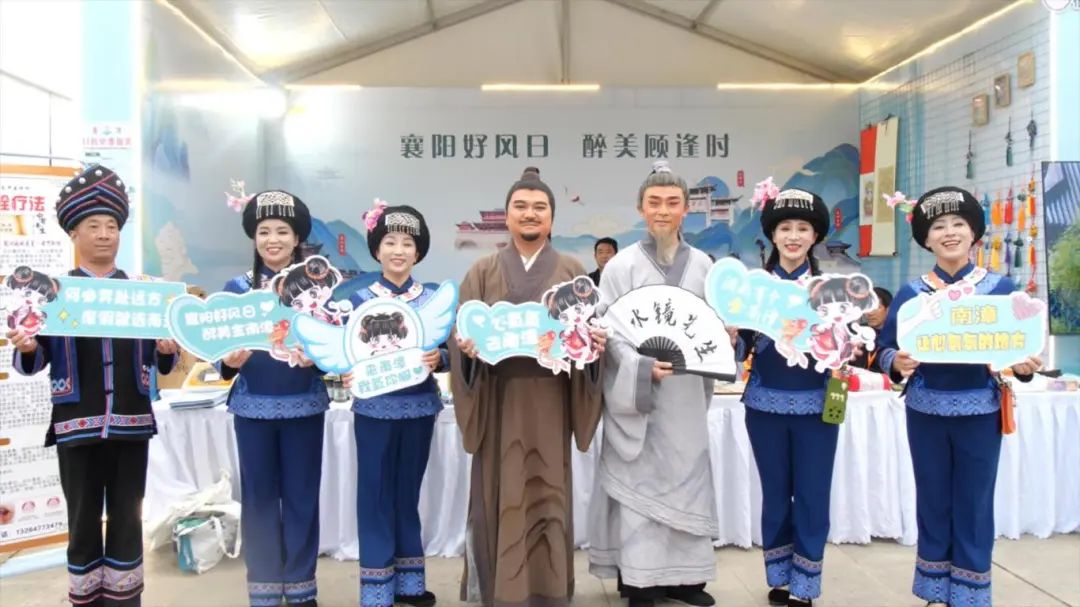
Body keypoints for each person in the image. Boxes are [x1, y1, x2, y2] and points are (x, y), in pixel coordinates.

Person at [6, 164, 178, 607]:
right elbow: (34, 360)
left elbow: (162, 359)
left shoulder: (143, 293)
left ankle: (125, 600)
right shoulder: (54, 294)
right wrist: (28, 345)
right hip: (75, 423)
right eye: (93, 226)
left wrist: (166, 347)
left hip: (131, 421)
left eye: (112, 226)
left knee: (128, 518)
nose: (104, 235)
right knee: (81, 521)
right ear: (74, 233)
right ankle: (84, 600)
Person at [874, 186, 1041, 607]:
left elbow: (1017, 348)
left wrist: (1023, 364)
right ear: (926, 240)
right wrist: (896, 361)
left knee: (975, 503)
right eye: (939, 227)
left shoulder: (1001, 289)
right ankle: (935, 591)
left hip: (981, 410)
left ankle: (970, 593)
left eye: (958, 224)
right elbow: (883, 349)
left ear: (974, 234)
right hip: (925, 410)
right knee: (933, 499)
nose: (949, 233)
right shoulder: (911, 294)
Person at [450, 167, 606, 607]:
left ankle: (549, 590)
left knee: (547, 494)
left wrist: (594, 347)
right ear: (507, 216)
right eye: (520, 206)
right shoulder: (482, 271)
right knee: (496, 495)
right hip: (497, 403)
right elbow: (462, 337)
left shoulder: (572, 272)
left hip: (552, 401)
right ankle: (500, 589)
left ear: (552, 218)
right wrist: (466, 351)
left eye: (540, 207)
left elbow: (586, 342)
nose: (530, 214)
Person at [587, 161, 718, 607]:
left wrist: (724, 334)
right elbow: (607, 329)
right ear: (641, 208)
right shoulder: (621, 266)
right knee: (639, 490)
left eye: (672, 202)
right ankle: (640, 579)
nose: (663, 210)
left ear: (686, 209)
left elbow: (711, 325)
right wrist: (640, 364)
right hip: (636, 393)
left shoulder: (703, 265)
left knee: (687, 480)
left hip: (685, 396)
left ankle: (686, 579)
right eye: (654, 202)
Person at [219, 190, 328, 607]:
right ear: (254, 238)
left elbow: (331, 351)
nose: (273, 240)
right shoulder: (236, 289)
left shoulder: (319, 290)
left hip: (305, 405)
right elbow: (221, 356)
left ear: (297, 238)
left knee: (302, 498)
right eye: (265, 231)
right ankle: (263, 589)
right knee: (259, 500)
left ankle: (301, 587)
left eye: (283, 231)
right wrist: (228, 360)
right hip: (253, 409)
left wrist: (318, 358)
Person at [732, 187, 835, 607]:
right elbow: (740, 350)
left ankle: (805, 585)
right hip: (764, 406)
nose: (793, 236)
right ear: (772, 235)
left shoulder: (831, 290)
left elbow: (845, 349)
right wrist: (732, 336)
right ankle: (779, 576)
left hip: (819, 406)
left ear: (815, 236)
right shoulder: (753, 288)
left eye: (803, 228)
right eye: (785, 228)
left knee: (812, 495)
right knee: (775, 493)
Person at [349, 203, 445, 607]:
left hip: (419, 407)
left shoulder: (434, 300)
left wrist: (441, 357)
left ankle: (409, 584)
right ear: (377, 250)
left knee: (408, 494)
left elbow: (450, 349)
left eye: (407, 243)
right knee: (374, 494)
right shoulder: (357, 301)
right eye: (390, 242)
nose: (399, 250)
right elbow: (343, 354)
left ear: (418, 252)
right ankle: (376, 589)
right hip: (373, 409)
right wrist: (345, 371)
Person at [850, 286, 892, 370]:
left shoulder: (897, 337)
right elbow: (845, 366)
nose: (870, 313)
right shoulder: (857, 333)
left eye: (876, 308)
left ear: (888, 309)